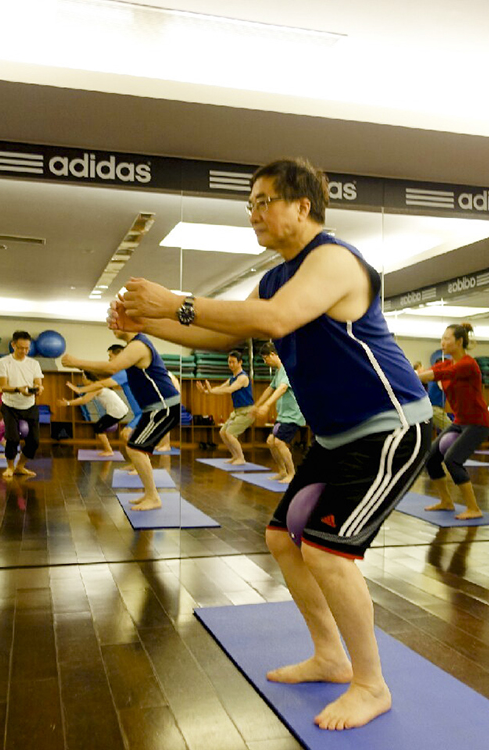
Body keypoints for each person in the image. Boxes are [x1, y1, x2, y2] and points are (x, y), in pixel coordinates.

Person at [108, 157, 431, 730]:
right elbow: (225, 332)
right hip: (336, 436)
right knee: (284, 538)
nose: (254, 214)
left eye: (264, 202)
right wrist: (147, 324)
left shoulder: (333, 259)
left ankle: (371, 684)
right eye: (250, 205)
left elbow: (277, 320)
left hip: (391, 426)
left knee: (327, 550)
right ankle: (329, 656)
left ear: (302, 206)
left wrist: (174, 301)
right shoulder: (277, 278)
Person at [62, 331, 180, 510]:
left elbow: (108, 373)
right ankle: (149, 492)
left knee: (134, 446)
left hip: (163, 406)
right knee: (134, 446)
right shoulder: (131, 365)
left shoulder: (136, 349)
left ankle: (152, 495)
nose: (110, 360)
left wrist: (77, 363)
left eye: (111, 356)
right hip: (155, 408)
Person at [416, 323, 489, 519]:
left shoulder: (468, 364)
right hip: (460, 421)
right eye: (442, 339)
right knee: (431, 458)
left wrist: (419, 375)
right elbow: (428, 374)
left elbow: (438, 374)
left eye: (446, 339)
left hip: (478, 423)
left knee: (452, 459)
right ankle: (446, 501)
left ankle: (474, 508)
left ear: (459, 342)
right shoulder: (446, 363)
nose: (442, 342)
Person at [253, 341, 305, 483]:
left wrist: (266, 405)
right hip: (283, 416)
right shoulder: (279, 372)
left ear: (273, 354)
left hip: (292, 415)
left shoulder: (287, 369)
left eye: (265, 358)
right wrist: (256, 405)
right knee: (271, 442)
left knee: (279, 442)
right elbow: (270, 389)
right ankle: (282, 471)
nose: (265, 362)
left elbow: (282, 388)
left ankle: (292, 474)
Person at [0, 331, 44, 479]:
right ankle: (10, 467)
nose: (24, 351)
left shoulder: (34, 364)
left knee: (34, 441)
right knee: (12, 439)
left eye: (27, 348)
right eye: (21, 348)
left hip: (30, 405)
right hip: (10, 406)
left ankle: (20, 466)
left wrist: (39, 389)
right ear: (13, 345)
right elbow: (3, 386)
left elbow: (38, 383)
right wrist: (19, 389)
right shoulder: (3, 362)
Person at [199, 350, 255, 465]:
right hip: (237, 411)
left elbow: (229, 390)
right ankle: (235, 456)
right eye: (229, 362)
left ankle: (241, 458)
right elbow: (221, 388)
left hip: (247, 411)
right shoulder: (232, 378)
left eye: (233, 362)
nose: (231, 365)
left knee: (230, 434)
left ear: (240, 362)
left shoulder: (243, 378)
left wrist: (210, 391)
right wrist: (206, 392)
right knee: (223, 432)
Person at [58, 372, 129, 456]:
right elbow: (83, 398)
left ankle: (109, 450)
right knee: (99, 427)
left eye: (83, 378)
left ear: (88, 379)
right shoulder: (97, 386)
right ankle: (109, 449)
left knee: (98, 428)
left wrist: (67, 403)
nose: (82, 381)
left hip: (117, 411)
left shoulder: (96, 387)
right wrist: (68, 402)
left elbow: (84, 400)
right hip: (120, 410)